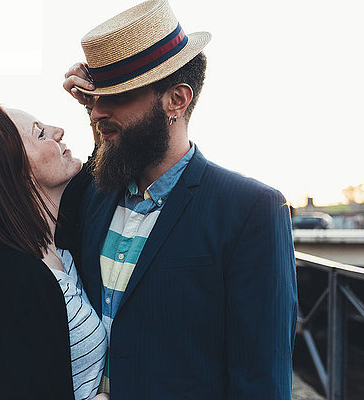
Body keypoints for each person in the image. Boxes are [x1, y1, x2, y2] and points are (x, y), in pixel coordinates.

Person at [60, 0, 298, 399]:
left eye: (117, 96)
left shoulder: (250, 210)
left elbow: (261, 379)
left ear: (177, 99)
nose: (97, 111)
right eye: (95, 98)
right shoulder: (95, 195)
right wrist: (99, 104)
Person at [0, 105, 108, 400]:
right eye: (41, 133)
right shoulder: (13, 278)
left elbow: (104, 163)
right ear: (15, 171)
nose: (58, 131)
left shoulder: (63, 244)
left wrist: (95, 107)